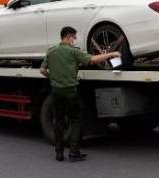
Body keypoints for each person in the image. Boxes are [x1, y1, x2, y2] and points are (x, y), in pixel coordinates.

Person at [40, 27, 120, 162]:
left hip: (56, 91)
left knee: (59, 121)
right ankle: (73, 152)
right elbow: (93, 59)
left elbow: (42, 70)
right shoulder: (73, 52)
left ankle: (59, 153)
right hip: (70, 91)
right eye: (74, 37)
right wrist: (110, 55)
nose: (75, 40)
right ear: (68, 37)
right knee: (77, 119)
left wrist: (52, 77)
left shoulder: (51, 52)